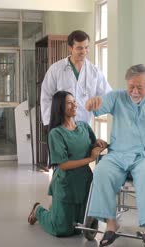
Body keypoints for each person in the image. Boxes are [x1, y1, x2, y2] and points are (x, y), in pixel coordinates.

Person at [84, 64, 145, 247]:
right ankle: (111, 225)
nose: (135, 91)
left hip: (144, 154)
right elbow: (98, 105)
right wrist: (91, 103)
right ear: (126, 83)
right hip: (118, 153)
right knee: (101, 172)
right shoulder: (117, 97)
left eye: (140, 87)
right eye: (131, 86)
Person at [28, 91, 107, 236]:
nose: (75, 105)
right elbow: (63, 165)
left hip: (84, 182)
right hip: (66, 183)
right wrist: (90, 159)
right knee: (62, 229)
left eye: (74, 101)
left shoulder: (84, 127)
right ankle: (38, 210)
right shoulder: (56, 133)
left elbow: (91, 145)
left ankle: (56, 210)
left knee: (78, 227)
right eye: (69, 103)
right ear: (60, 107)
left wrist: (99, 143)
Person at [40, 30, 112, 126]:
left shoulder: (95, 72)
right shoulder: (56, 69)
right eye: (79, 48)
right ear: (70, 48)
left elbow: (107, 96)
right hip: (61, 126)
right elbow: (46, 97)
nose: (83, 51)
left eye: (86, 47)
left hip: (84, 127)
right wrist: (50, 123)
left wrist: (97, 101)